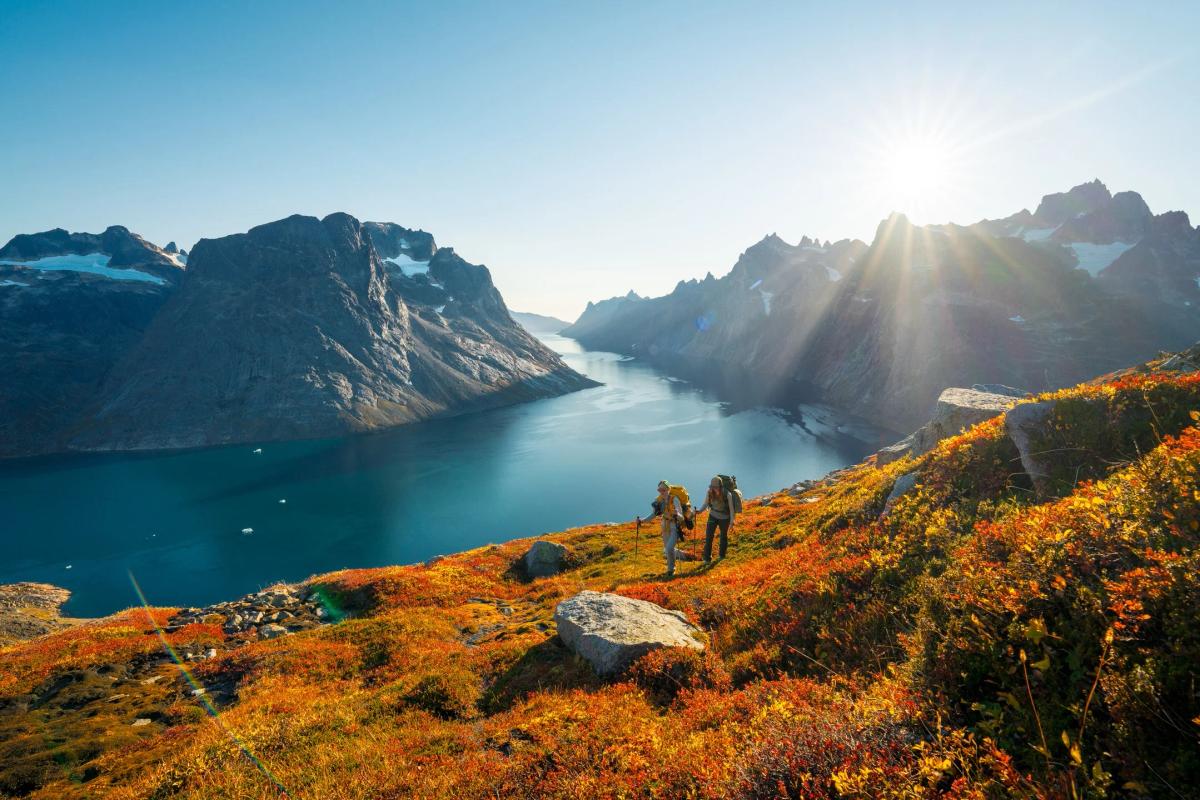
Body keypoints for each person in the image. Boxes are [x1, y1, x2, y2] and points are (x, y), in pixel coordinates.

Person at [642, 480, 686, 578]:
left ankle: (672, 568)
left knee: (669, 548)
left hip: (674, 526)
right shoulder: (659, 501)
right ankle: (670, 570)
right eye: (660, 490)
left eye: (664, 490)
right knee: (668, 549)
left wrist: (677, 514)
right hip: (664, 525)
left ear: (668, 489)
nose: (662, 492)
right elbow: (654, 514)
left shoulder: (675, 500)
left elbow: (682, 517)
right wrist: (642, 521)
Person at [696, 476, 736, 563]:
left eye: (715, 487)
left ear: (720, 486)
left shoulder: (727, 494)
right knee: (709, 537)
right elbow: (705, 504)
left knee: (723, 537)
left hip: (725, 518)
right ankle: (707, 558)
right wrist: (699, 511)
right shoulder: (709, 492)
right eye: (712, 487)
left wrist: (732, 521)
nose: (714, 489)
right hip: (712, 516)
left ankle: (721, 556)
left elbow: (732, 510)